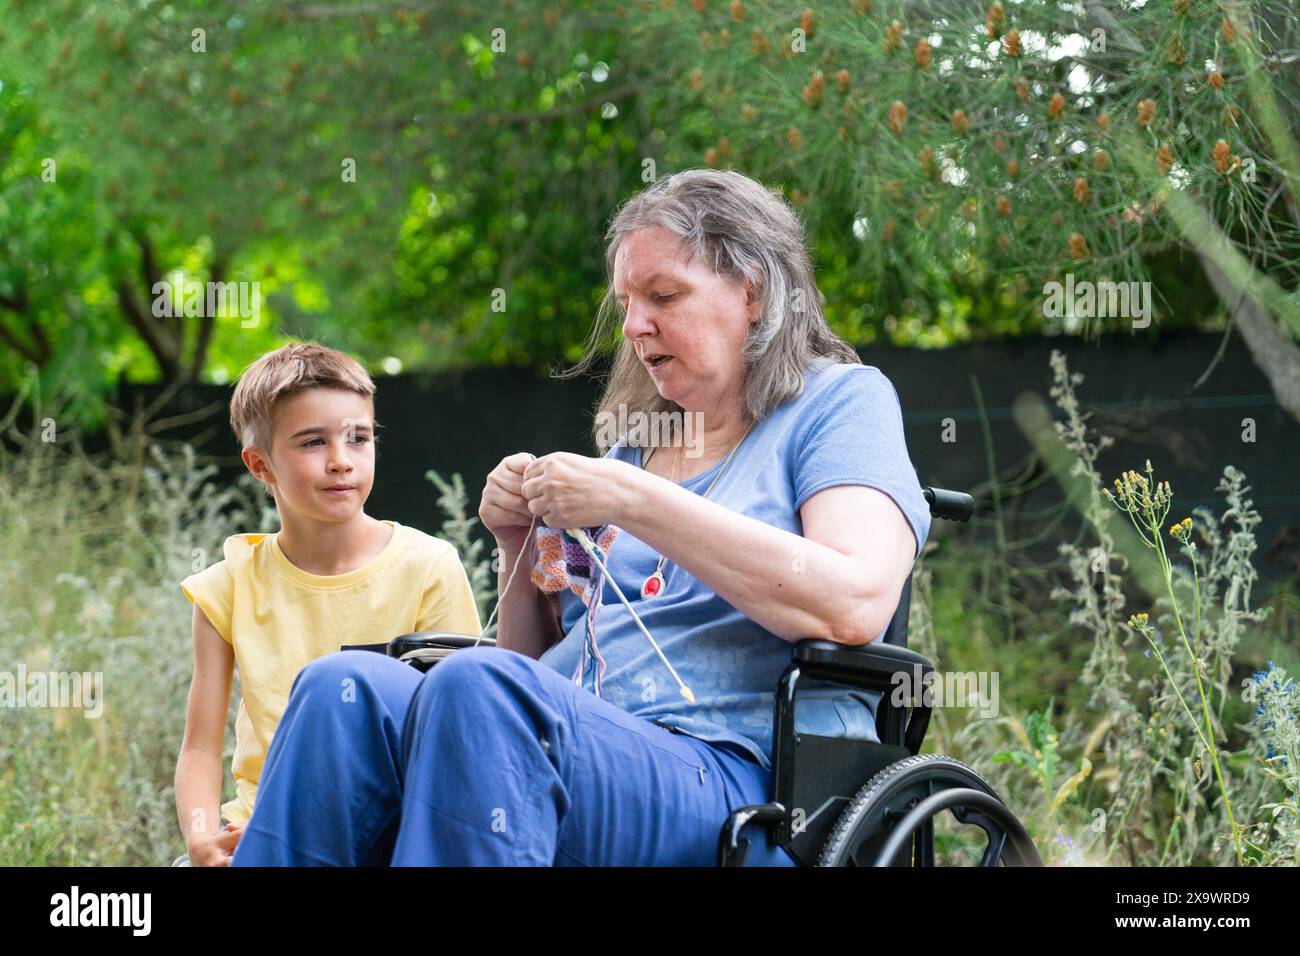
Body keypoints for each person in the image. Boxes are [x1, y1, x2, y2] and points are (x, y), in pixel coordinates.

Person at [230, 169, 931, 867]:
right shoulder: (641, 445)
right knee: (339, 690)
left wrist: (633, 500)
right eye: (627, 302)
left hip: (732, 774)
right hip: (587, 748)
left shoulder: (840, 405)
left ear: (752, 290)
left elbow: (853, 602)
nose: (633, 326)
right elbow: (528, 673)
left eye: (663, 296)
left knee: (481, 691)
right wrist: (517, 546)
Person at [173, 342, 481, 866]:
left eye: (358, 438)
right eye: (312, 442)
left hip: (391, 835)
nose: (341, 461)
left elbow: (461, 736)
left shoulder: (429, 567)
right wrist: (201, 841)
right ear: (260, 464)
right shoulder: (226, 587)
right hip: (262, 831)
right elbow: (200, 748)